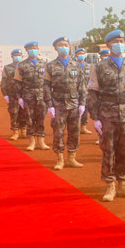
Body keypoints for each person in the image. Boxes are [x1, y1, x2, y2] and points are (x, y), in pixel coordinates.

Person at [87, 30, 125, 202]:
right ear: (108, 45)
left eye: (122, 41)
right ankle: (110, 186)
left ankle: (123, 184)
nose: (120, 44)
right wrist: (95, 117)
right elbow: (93, 93)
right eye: (116, 41)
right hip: (107, 115)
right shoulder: (100, 67)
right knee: (108, 151)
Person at [43, 37, 86, 170]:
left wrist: (82, 103)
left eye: (66, 45)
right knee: (58, 132)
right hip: (58, 104)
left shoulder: (77, 66)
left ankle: (71, 158)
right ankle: (60, 159)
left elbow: (82, 86)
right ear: (56, 48)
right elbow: (45, 86)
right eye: (61, 45)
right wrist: (49, 105)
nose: (64, 47)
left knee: (74, 132)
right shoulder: (50, 66)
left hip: (74, 103)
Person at [15, 41, 50, 151]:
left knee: (41, 119)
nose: (33, 50)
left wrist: (48, 97)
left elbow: (47, 82)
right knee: (29, 119)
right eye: (30, 48)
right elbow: (17, 82)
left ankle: (41, 141)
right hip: (28, 96)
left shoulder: (44, 64)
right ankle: (32, 142)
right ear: (27, 50)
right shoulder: (22, 65)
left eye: (35, 48)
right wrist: (19, 97)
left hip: (41, 96)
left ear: (38, 49)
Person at [1, 48, 25, 140]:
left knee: (24, 112)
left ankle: (24, 130)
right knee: (14, 112)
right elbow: (4, 81)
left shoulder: (25, 66)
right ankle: (15, 132)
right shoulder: (7, 68)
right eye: (15, 55)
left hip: (23, 94)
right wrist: (5, 94)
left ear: (22, 56)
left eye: (19, 55)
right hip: (12, 94)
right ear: (12, 57)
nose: (17, 57)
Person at [75, 48, 93, 135]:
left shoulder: (89, 66)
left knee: (85, 109)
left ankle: (83, 127)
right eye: (79, 53)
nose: (81, 55)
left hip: (86, 91)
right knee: (75, 109)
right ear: (76, 55)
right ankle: (75, 127)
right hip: (75, 92)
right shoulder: (73, 66)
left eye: (83, 53)